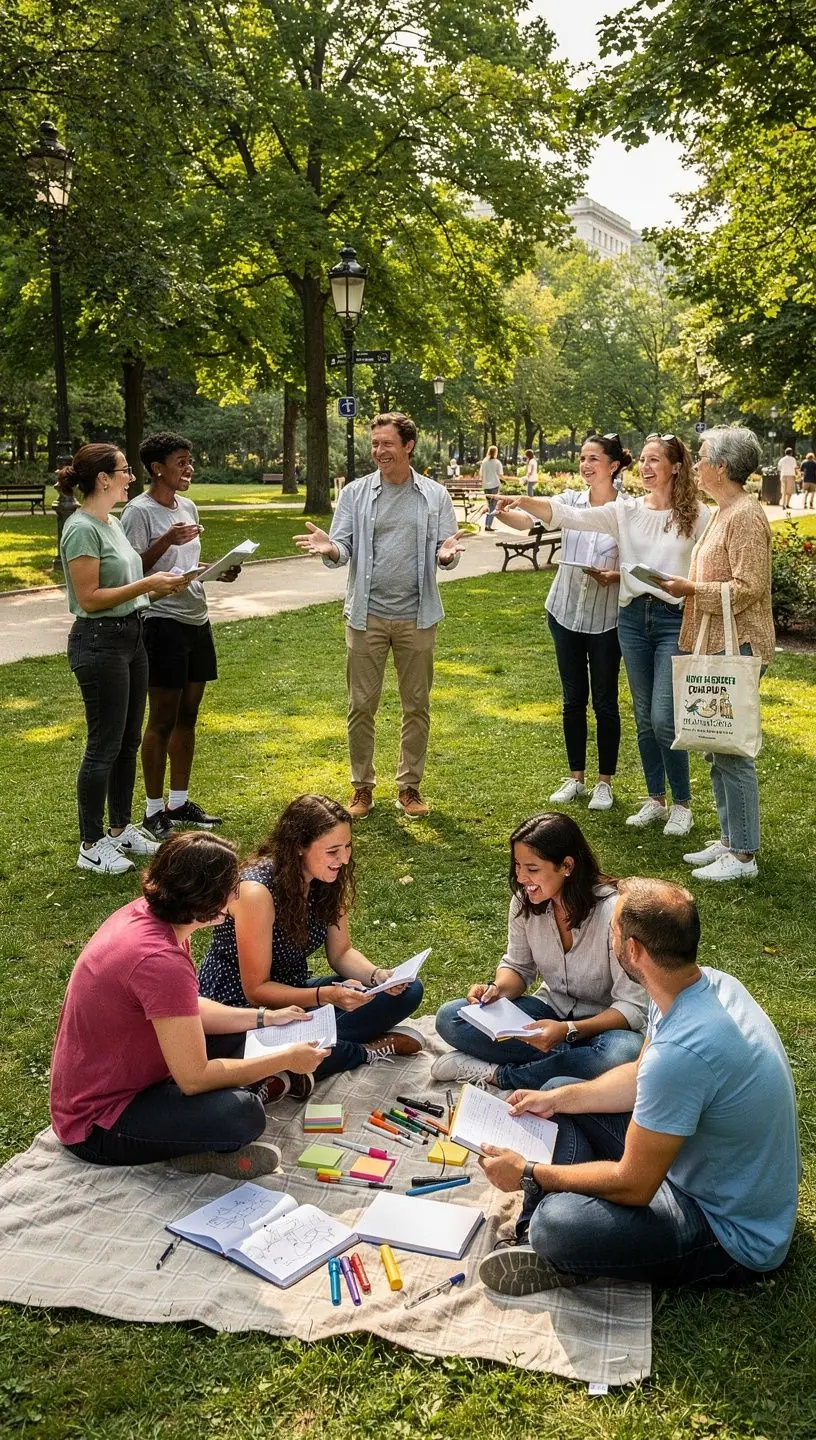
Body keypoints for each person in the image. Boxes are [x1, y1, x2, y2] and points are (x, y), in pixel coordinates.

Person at [476, 878, 799, 1296]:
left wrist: (531, 1173)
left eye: (612, 931)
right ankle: (543, 1237)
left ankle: (547, 1240)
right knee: (559, 1094)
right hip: (688, 1165)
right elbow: (636, 1076)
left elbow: (635, 1183)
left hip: (727, 1230)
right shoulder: (703, 985)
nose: (608, 940)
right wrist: (556, 1099)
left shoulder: (683, 1054)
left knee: (556, 1225)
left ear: (634, 951)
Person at [50, 832, 328, 1173]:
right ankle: (201, 1148)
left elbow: (186, 1008)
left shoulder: (151, 918)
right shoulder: (158, 959)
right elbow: (194, 1078)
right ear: (203, 898)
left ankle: (234, 1103)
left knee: (253, 1040)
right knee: (242, 1114)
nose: (237, 897)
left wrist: (263, 1018)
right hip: (99, 1123)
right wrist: (283, 1058)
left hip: (142, 1076)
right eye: (231, 888)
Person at [498, 433, 709, 837]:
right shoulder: (625, 510)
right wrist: (523, 501)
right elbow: (568, 515)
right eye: (643, 460)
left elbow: (712, 559)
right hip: (632, 617)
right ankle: (655, 800)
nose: (646, 467)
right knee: (645, 716)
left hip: (671, 619)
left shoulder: (697, 514)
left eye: (655, 461)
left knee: (664, 718)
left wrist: (694, 587)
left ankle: (682, 803)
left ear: (677, 467)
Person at [294, 413, 466, 820]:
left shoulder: (434, 495)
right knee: (361, 705)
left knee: (417, 705)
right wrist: (331, 549)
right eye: (374, 444)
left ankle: (409, 787)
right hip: (365, 615)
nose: (379, 451)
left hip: (418, 616)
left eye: (387, 443)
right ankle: (362, 788)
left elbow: (448, 548)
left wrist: (446, 556)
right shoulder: (356, 493)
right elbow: (343, 549)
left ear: (408, 446)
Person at [198, 795, 425, 1078]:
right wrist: (324, 995)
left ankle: (299, 1061)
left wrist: (378, 977)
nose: (343, 859)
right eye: (332, 851)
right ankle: (362, 1051)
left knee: (408, 991)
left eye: (347, 847)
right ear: (299, 847)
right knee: (308, 1049)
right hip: (239, 1008)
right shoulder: (257, 892)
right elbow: (256, 990)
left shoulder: (328, 879)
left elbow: (341, 953)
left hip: (295, 996)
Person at [431, 812, 646, 1088]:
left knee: (624, 1054)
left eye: (532, 869)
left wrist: (568, 1031)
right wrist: (495, 989)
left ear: (567, 866)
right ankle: (571, 1067)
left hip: (605, 1027)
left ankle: (500, 1075)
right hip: (549, 1012)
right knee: (451, 1017)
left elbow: (633, 1006)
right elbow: (518, 967)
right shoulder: (524, 903)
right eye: (518, 865)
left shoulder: (613, 914)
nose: (521, 877)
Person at [58, 444, 191, 875]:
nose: (130, 477)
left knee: (128, 742)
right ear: (103, 479)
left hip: (132, 637)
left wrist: (164, 586)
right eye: (123, 471)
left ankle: (119, 829)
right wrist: (146, 585)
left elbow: (130, 588)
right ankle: (91, 843)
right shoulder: (82, 528)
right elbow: (90, 598)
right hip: (99, 642)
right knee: (103, 746)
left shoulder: (111, 523)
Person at [655, 427, 773, 882]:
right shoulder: (727, 511)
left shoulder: (743, 515)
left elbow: (750, 587)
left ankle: (743, 855)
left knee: (732, 751)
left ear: (722, 467)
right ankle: (730, 839)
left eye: (702, 457)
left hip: (738, 644)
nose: (696, 464)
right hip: (719, 640)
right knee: (716, 745)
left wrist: (691, 590)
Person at [121, 431, 241, 839]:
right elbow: (131, 570)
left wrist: (217, 569)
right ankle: (154, 812)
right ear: (158, 468)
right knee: (163, 720)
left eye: (190, 460)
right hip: (162, 622)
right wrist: (165, 540)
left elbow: (185, 563)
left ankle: (178, 802)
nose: (189, 468)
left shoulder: (187, 504)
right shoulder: (138, 511)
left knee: (188, 716)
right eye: (181, 462)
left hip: (196, 619)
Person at [501, 435, 622, 809]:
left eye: (594, 459)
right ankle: (576, 779)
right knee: (573, 700)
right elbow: (527, 521)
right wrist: (505, 510)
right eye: (582, 458)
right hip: (565, 612)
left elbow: (638, 561)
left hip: (606, 618)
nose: (586, 465)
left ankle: (604, 783)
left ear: (614, 465)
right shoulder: (569, 500)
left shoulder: (628, 510)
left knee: (605, 702)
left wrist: (614, 576)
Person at [479, 446, 503, 531]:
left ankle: (487, 524)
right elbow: (500, 474)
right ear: (496, 452)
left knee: (489, 505)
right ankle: (488, 525)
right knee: (493, 506)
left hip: (486, 486)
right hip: (495, 485)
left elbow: (481, 474)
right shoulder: (497, 462)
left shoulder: (484, 462)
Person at [777, 447, 798, 513]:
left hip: (783, 475)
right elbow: (795, 467)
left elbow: (779, 468)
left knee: (784, 491)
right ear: (791, 452)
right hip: (791, 475)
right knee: (790, 491)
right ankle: (787, 504)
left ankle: (783, 504)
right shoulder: (793, 459)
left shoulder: (782, 459)